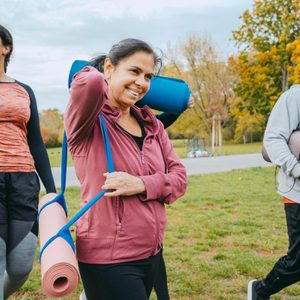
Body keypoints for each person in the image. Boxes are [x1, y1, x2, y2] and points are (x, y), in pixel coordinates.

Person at [65, 38, 187, 300]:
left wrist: (141, 184)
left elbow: (179, 180)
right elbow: (90, 82)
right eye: (134, 71)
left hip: (151, 252)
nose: (142, 83)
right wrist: (104, 74)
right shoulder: (87, 122)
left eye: (148, 76)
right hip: (109, 258)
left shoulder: (152, 124)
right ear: (109, 67)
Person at [0, 25, 56, 300]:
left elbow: (36, 142)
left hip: (23, 180)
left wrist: (52, 189)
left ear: (5, 47)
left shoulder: (25, 91)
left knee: (21, 267)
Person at [247, 84, 300, 300]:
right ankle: (260, 289)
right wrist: (297, 170)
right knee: (298, 260)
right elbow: (273, 139)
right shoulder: (295, 96)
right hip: (297, 192)